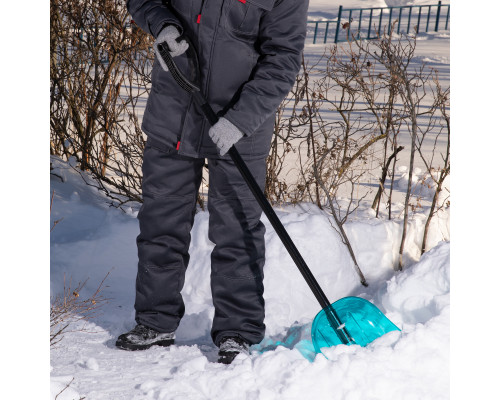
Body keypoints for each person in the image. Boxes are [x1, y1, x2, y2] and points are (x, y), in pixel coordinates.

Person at [116, 0, 309, 364]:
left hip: (240, 128)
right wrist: (163, 24)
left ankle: (238, 332)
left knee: (237, 231)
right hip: (173, 114)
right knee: (161, 223)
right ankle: (155, 321)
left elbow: (283, 57)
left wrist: (241, 119)